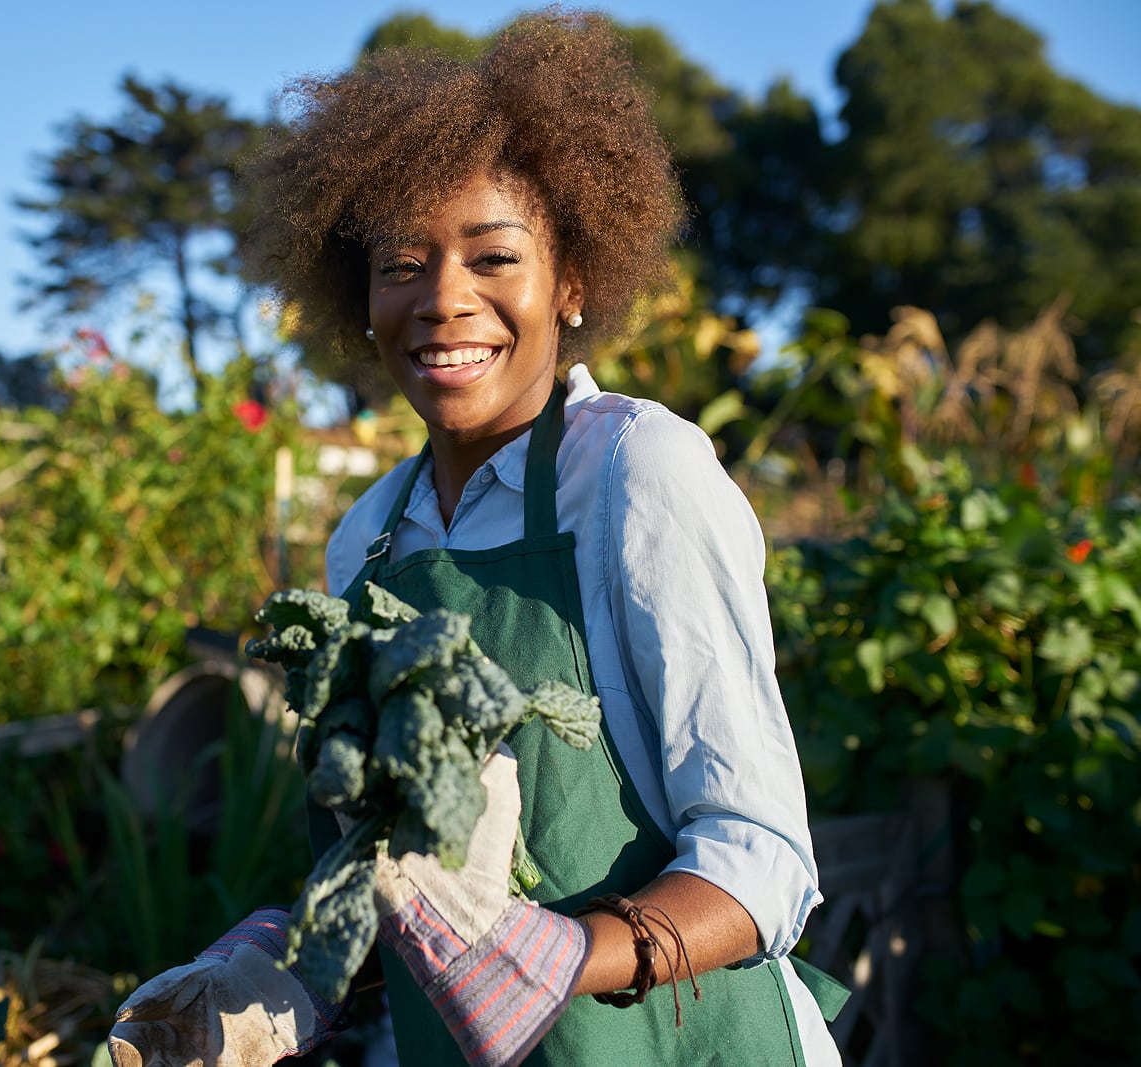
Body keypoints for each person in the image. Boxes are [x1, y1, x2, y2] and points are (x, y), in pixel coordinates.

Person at [109, 9, 845, 1065]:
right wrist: (277, 967)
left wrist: (563, 952)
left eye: (493, 256)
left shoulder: (638, 472)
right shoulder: (367, 540)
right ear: (359, 297)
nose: (444, 299)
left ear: (574, 282)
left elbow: (765, 858)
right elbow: (396, 881)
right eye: (401, 264)